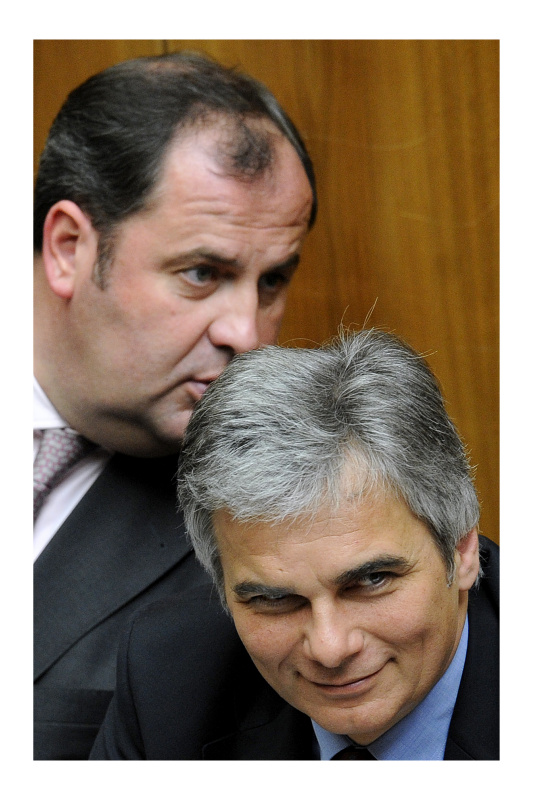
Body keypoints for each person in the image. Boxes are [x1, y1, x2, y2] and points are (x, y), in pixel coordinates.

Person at [33, 50, 316, 759]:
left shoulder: (265, 543)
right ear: (69, 248)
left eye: (272, 281)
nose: (245, 333)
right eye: (201, 273)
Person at [91, 329, 499, 760]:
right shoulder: (169, 677)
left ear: (461, 549)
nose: (330, 648)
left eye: (372, 580)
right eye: (274, 599)